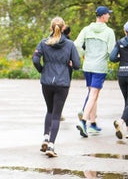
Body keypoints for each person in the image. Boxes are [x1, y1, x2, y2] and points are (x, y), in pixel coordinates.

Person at [32, 16, 80, 157]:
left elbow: (35, 59)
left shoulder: (44, 42)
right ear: (63, 28)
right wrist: (70, 64)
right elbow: (77, 65)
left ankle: (45, 137)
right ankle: (51, 146)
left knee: (49, 110)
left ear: (50, 28)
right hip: (62, 82)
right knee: (57, 114)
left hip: (46, 82)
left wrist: (42, 69)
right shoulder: (70, 45)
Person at [74, 6, 116, 137]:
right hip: (99, 67)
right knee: (93, 95)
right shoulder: (109, 32)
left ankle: (93, 124)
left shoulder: (86, 29)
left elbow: (76, 44)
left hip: (87, 66)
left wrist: (84, 54)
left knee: (93, 94)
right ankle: (84, 122)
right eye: (108, 14)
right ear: (103, 16)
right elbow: (111, 51)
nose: (109, 16)